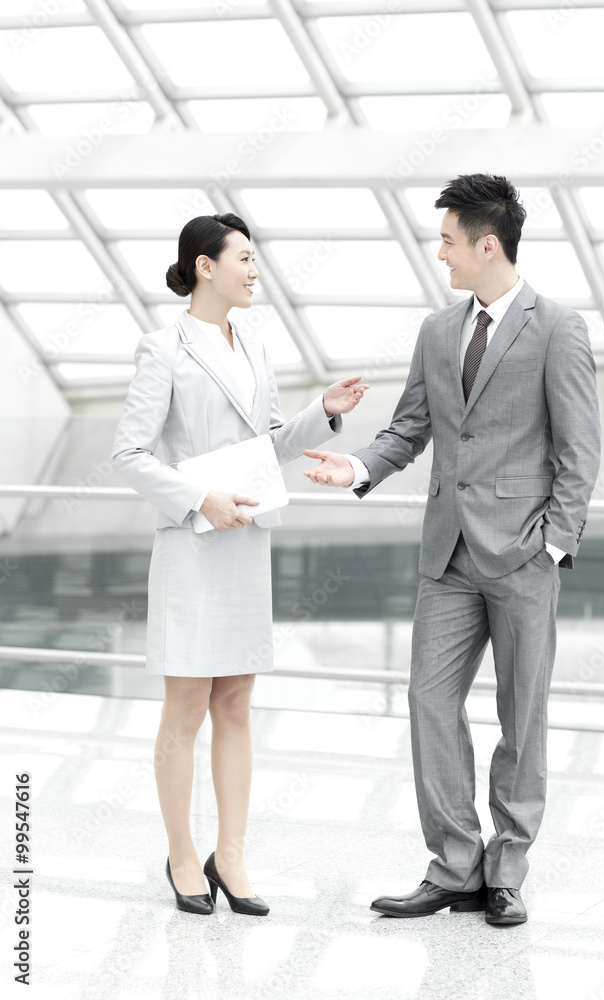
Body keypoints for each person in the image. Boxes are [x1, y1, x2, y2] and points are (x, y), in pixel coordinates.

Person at [303, 174, 601, 926]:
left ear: (486, 244)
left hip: (523, 555)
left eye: (446, 240)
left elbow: (579, 451)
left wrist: (553, 547)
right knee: (427, 701)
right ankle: (454, 865)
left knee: (519, 713)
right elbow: (411, 428)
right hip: (447, 556)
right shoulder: (438, 331)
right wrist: (359, 465)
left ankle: (506, 871)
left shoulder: (558, 328)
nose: (440, 254)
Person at [111, 213, 368, 916]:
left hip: (247, 541)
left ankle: (232, 853)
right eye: (245, 259)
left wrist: (324, 411)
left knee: (236, 706)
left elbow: (269, 444)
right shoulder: (161, 348)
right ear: (204, 265)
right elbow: (129, 455)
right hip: (195, 546)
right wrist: (201, 498)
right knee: (185, 708)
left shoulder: (254, 340)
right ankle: (184, 855)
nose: (255, 272)